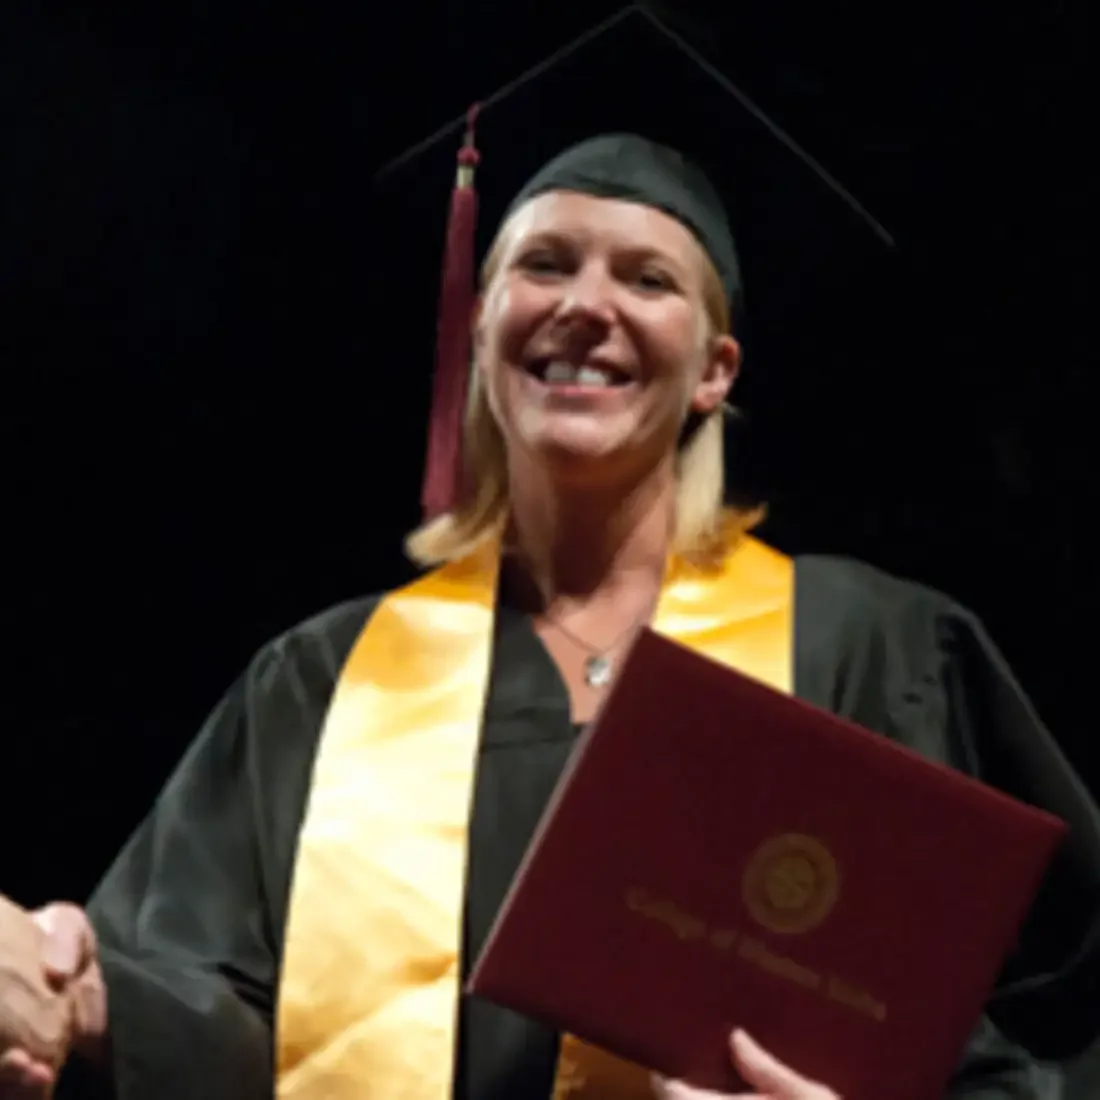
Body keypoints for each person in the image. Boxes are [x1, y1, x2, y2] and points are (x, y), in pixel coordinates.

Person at [2, 8, 1098, 1099]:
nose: (584, 305)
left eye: (647, 279)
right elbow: (230, 1019)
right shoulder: (323, 683)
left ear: (714, 370)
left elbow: (1034, 1031)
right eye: (544, 264)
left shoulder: (874, 650)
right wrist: (89, 1004)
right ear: (479, 328)